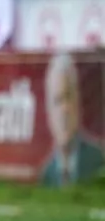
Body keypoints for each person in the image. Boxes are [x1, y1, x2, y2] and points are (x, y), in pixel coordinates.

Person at [40, 52, 104, 186]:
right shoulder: (47, 175)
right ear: (49, 112)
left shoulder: (98, 160)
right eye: (58, 101)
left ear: (78, 101)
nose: (65, 109)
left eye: (69, 97)